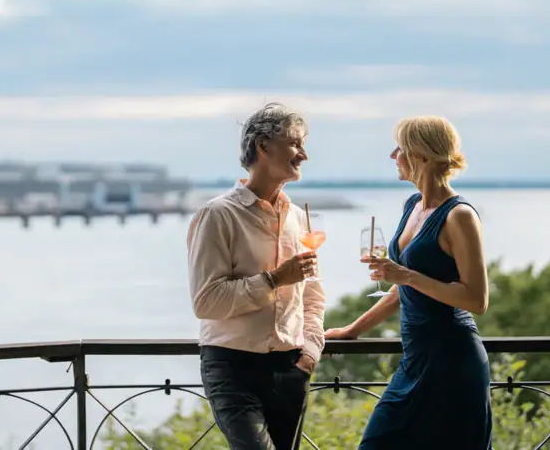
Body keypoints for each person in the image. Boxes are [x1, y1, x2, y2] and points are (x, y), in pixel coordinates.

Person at [325, 115, 492, 449]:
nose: (393, 156)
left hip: (452, 361)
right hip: (415, 361)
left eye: (399, 148)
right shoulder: (412, 205)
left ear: (423, 156)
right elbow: (404, 289)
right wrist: (352, 330)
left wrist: (404, 275)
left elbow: (477, 299)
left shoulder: (459, 216)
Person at [186, 103, 326, 450]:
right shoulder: (218, 215)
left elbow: (313, 295)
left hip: (290, 366)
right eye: (295, 143)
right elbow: (206, 303)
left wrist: (310, 349)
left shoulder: (298, 218)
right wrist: (275, 279)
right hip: (233, 367)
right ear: (263, 146)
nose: (304, 154)